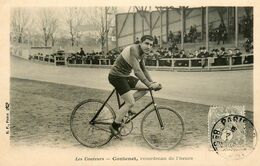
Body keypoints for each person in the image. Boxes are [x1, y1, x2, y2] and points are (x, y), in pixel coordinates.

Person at [108, 35, 162, 137]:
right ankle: (114, 126)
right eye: (146, 43)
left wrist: (152, 83)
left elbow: (144, 70)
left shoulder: (142, 53)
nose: (149, 47)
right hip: (116, 76)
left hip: (125, 76)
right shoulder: (134, 49)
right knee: (131, 102)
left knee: (145, 89)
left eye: (151, 45)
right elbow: (137, 71)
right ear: (140, 43)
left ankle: (125, 108)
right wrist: (150, 84)